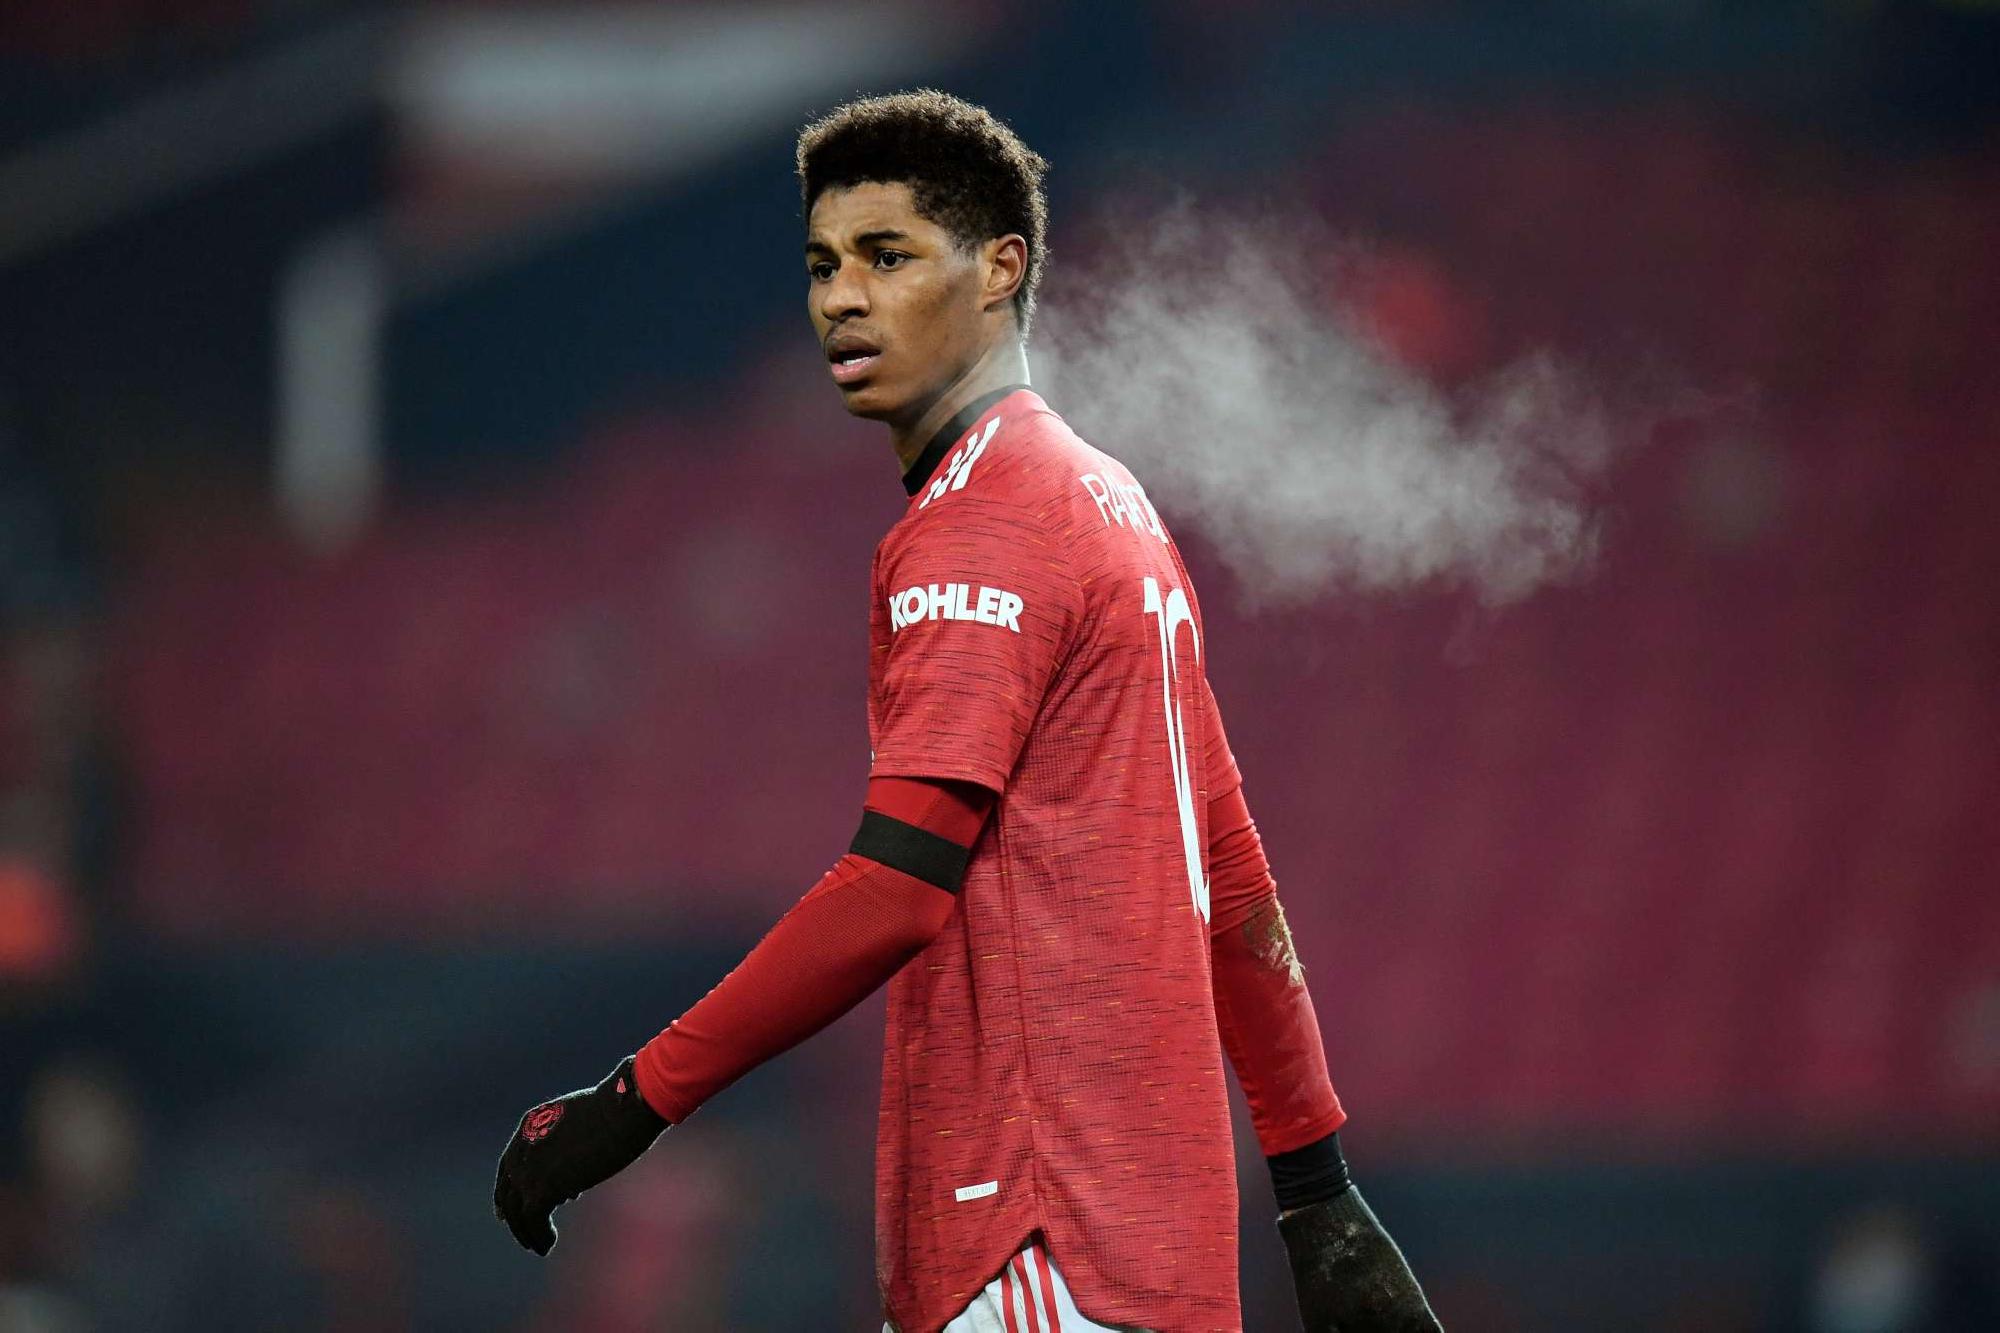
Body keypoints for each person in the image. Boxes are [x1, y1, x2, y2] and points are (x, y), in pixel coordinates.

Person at [493, 89, 1441, 1333]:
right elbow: (1236, 886)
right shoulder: (1115, 507)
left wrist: (631, 1101)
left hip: (1032, 1240)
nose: (841, 296)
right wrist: (1315, 1188)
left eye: (888, 257)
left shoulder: (983, 522)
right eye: (823, 263)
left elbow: (893, 888)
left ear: (1000, 270)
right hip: (1149, 1250)